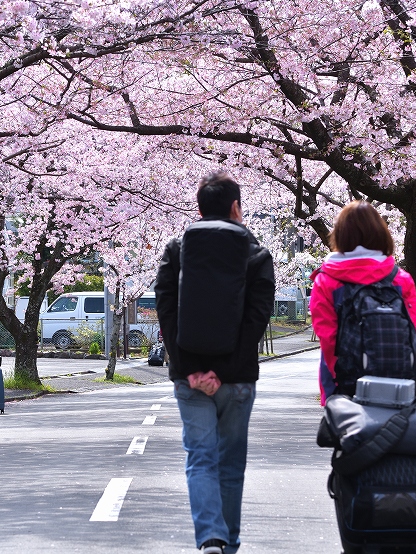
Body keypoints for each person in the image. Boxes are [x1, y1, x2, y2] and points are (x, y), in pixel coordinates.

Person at [154, 171, 275, 554]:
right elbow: (256, 320)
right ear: (236, 207)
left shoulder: (176, 249)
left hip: (189, 380)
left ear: (200, 208)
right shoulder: (256, 253)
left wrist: (191, 369)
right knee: (231, 464)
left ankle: (211, 539)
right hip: (237, 378)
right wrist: (222, 372)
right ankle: (230, 544)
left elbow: (166, 313)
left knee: (201, 458)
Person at [309, 200, 416, 405]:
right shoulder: (401, 279)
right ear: (381, 233)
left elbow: (329, 342)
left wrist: (342, 384)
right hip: (399, 383)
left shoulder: (326, 281)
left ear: (340, 234)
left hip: (344, 388)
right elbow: (413, 333)